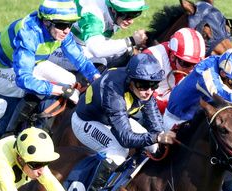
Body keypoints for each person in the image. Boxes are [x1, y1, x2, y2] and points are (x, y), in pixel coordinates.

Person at [0, 0, 102, 146]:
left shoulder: (60, 32)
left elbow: (79, 59)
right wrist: (59, 90)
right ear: (46, 22)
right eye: (62, 25)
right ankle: (7, 133)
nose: (67, 30)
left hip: (32, 63)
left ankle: (39, 122)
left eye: (70, 25)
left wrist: (96, 78)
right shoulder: (28, 33)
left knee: (69, 80)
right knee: (38, 88)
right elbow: (24, 79)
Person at [72, 52, 178, 180]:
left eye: (153, 85)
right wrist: (157, 137)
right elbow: (125, 139)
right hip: (86, 121)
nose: (148, 92)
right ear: (131, 80)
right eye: (143, 86)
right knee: (119, 152)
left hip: (111, 119)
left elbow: (154, 119)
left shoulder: (141, 84)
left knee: (154, 146)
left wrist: (160, 135)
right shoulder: (113, 90)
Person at [54, 0, 151, 70]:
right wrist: (131, 40)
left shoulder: (110, 11)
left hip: (80, 44)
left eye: (136, 14)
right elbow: (97, 50)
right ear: (113, 9)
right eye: (127, 15)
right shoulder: (93, 17)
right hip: (57, 49)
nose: (131, 21)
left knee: (128, 52)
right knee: (99, 63)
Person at [143, 27, 205, 113]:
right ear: (172, 57)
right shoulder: (152, 58)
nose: (191, 70)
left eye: (196, 65)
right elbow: (143, 96)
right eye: (186, 64)